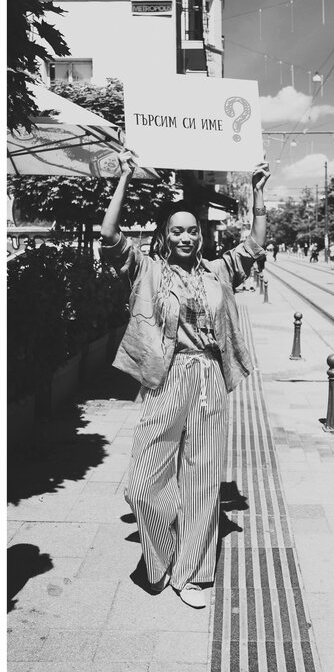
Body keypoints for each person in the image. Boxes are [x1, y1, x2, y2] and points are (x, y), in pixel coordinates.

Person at [100, 150, 270, 609]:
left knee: (203, 478)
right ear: (164, 235)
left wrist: (258, 193)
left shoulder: (218, 271)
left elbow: (254, 244)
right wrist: (123, 178)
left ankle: (191, 573)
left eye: (192, 230)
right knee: (142, 483)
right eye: (177, 230)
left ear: (201, 235)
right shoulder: (148, 270)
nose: (185, 237)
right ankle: (161, 555)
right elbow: (109, 235)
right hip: (167, 377)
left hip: (209, 376)